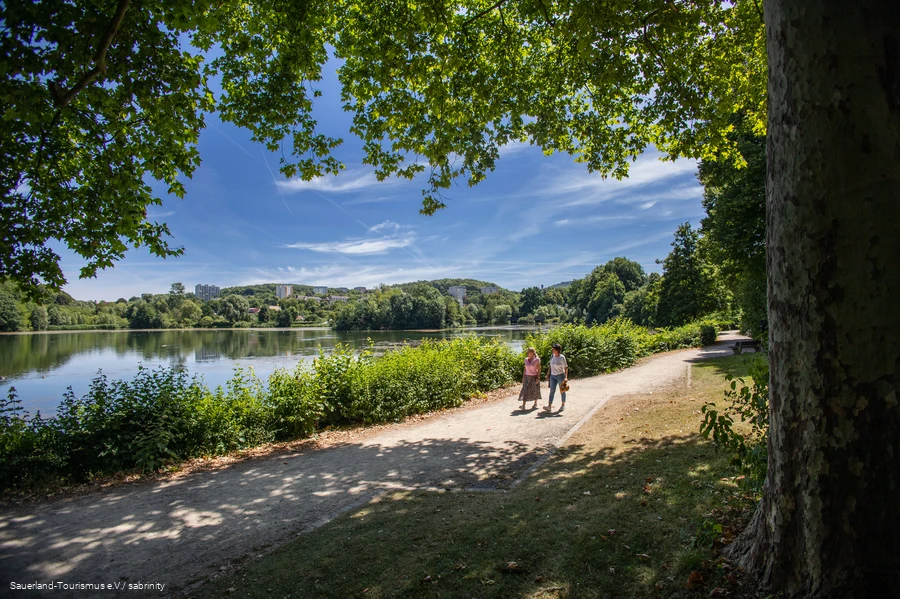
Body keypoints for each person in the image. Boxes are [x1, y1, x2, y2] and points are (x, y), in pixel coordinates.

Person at [544, 343, 568, 413]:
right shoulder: (552, 356)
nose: (552, 350)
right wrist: (548, 374)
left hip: (560, 375)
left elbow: (566, 367)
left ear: (557, 350)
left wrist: (566, 377)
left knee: (562, 390)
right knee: (552, 390)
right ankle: (549, 405)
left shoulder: (562, 357)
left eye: (553, 349)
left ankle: (563, 404)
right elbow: (550, 366)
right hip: (553, 376)